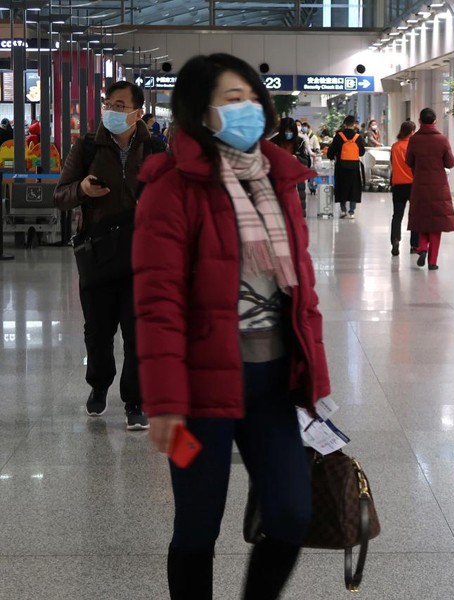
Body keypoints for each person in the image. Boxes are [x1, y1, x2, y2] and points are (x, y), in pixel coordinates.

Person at [132, 53, 329, 599]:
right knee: (196, 529)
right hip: (198, 392)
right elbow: (157, 304)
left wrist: (317, 377)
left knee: (291, 514)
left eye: (251, 96)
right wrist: (165, 403)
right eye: (230, 98)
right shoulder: (172, 190)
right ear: (200, 111)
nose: (247, 107)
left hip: (272, 384)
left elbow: (301, 291)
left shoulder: (280, 179)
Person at [53, 80, 164, 430]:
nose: (112, 111)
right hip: (98, 253)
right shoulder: (87, 146)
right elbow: (61, 195)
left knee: (138, 333)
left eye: (120, 105)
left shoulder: (156, 148)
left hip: (142, 256)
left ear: (138, 112)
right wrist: (83, 190)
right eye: (108, 104)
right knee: (98, 332)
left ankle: (135, 400)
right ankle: (98, 385)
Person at [406, 107, 454, 270]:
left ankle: (422, 247)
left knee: (422, 219)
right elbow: (450, 162)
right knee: (436, 224)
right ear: (435, 121)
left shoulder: (414, 140)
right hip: (438, 187)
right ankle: (433, 262)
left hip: (420, 185)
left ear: (420, 121)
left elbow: (409, 161)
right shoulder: (442, 139)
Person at [326, 115, 366, 218]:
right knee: (354, 187)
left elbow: (331, 152)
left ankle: (343, 210)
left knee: (342, 186)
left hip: (341, 166)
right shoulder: (358, 137)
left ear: (345, 124)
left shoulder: (339, 136)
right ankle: (352, 211)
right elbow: (361, 152)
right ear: (354, 125)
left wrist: (332, 156)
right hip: (354, 167)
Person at [390, 120, 419, 256]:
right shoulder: (414, 146)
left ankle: (395, 240)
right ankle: (414, 245)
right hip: (413, 185)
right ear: (412, 132)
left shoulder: (395, 147)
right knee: (414, 216)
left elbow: (392, 163)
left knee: (397, 215)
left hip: (398, 185)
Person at [272, 117, 311, 215]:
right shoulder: (274, 141)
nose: (288, 133)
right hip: (279, 177)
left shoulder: (300, 141)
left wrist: (297, 158)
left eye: (290, 131)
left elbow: (306, 161)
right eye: (286, 131)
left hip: (296, 177)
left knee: (297, 204)